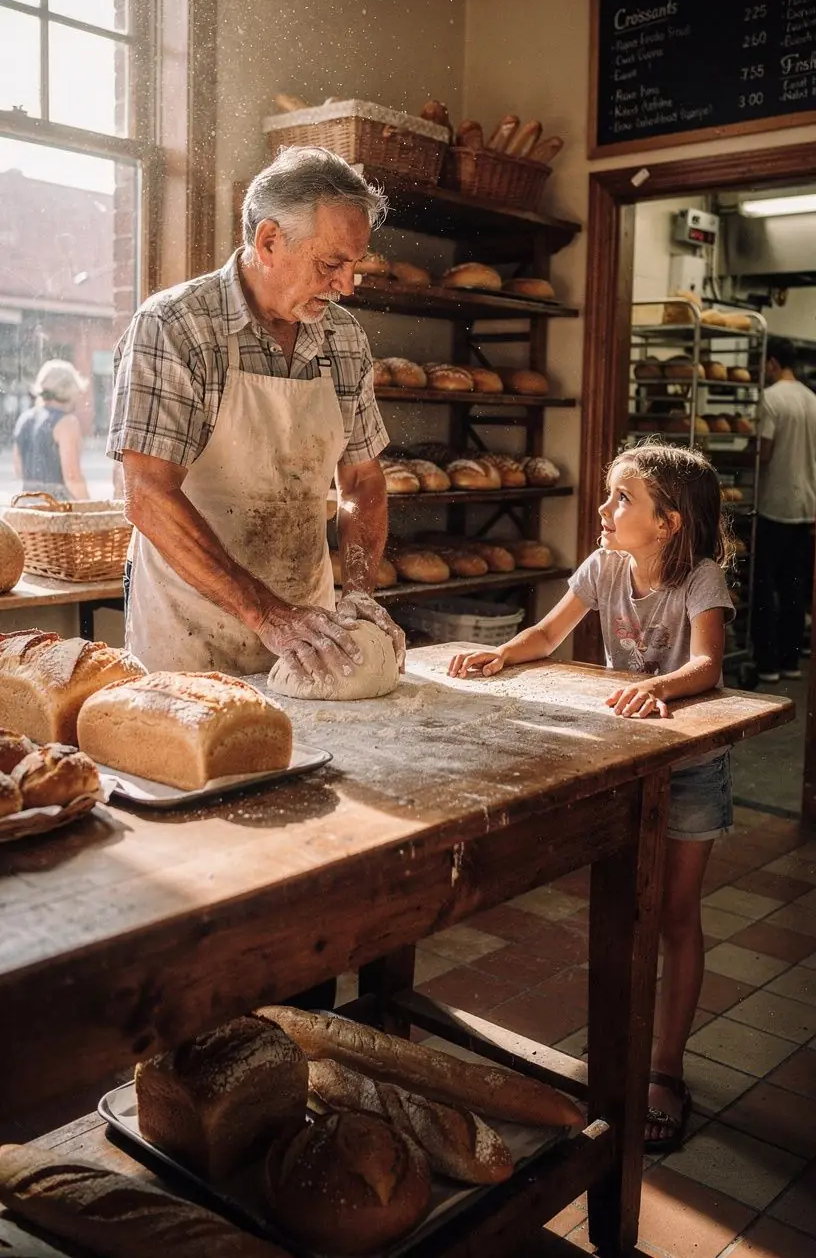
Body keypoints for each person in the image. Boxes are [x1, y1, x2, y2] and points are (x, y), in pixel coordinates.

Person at [448, 441, 735, 1153]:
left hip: (693, 763)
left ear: (667, 522)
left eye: (622, 499)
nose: (604, 510)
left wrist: (656, 686)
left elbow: (707, 664)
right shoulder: (603, 565)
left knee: (674, 912)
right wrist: (504, 654)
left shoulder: (699, 578)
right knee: (626, 906)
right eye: (610, 496)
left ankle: (665, 1071)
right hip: (627, 759)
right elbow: (549, 632)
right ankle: (618, 1055)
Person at [109, 145, 404, 683]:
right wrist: (267, 613)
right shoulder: (176, 328)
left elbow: (361, 479)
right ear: (269, 241)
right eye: (331, 263)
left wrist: (357, 593)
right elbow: (148, 494)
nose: (347, 285)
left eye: (354, 266)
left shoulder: (343, 339)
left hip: (310, 636)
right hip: (190, 635)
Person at [753, 335, 816, 683]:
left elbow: (766, 452)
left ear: (773, 363)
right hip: (807, 506)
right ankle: (791, 663)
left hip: (775, 504)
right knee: (795, 586)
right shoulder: (813, 399)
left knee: (764, 586)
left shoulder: (771, 398)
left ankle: (767, 664)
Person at [13, 360, 90, 501]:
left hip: (25, 504)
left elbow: (19, 470)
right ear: (70, 389)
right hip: (55, 509)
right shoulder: (67, 422)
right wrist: (91, 511)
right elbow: (72, 477)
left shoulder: (24, 419)